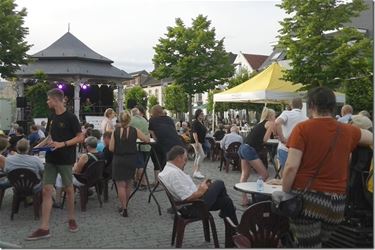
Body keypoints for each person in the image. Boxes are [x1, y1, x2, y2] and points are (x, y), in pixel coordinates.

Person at [282, 87, 373, 248]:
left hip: (308, 202)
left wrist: (285, 192)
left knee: (308, 245)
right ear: (333, 107)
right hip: (336, 206)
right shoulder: (347, 131)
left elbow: (290, 167)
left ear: (311, 106)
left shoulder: (302, 129)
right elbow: (370, 137)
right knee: (319, 243)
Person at [27, 88, 84, 241]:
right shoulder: (51, 116)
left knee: (69, 190)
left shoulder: (71, 117)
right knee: (47, 190)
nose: (47, 102)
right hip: (51, 159)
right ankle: (44, 228)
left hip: (66, 159)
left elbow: (80, 137)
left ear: (56, 100)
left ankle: (71, 219)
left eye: (48, 99)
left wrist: (62, 144)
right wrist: (39, 145)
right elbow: (50, 136)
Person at [159, 145, 238, 225]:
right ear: (179, 158)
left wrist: (202, 186)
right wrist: (202, 190)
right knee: (219, 183)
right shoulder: (173, 173)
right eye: (185, 159)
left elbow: (186, 190)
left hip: (193, 204)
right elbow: (187, 197)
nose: (185, 163)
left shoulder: (168, 170)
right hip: (192, 208)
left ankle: (233, 231)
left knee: (226, 201)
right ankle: (233, 226)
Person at [109, 111, 149, 217]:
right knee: (128, 184)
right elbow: (146, 139)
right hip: (131, 159)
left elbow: (111, 148)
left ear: (120, 120)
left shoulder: (115, 131)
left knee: (120, 186)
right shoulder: (135, 130)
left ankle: (124, 208)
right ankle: (126, 205)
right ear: (129, 120)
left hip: (119, 160)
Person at [237, 107, 275, 206]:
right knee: (265, 175)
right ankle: (258, 196)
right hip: (250, 149)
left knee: (245, 175)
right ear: (270, 116)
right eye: (274, 116)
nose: (275, 118)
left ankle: (244, 200)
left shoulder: (260, 123)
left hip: (243, 147)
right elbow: (265, 140)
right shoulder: (270, 123)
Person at [54, 136, 103, 208]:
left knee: (59, 176)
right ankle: (72, 196)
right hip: (95, 179)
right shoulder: (101, 154)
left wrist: (76, 164)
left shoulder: (85, 157)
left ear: (87, 146)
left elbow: (77, 171)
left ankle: (58, 201)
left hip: (83, 180)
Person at [148, 105, 185, 178]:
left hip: (166, 147)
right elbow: (173, 131)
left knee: (155, 154)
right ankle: (177, 179)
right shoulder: (169, 119)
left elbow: (154, 136)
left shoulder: (152, 120)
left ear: (154, 113)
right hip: (179, 145)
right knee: (178, 166)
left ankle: (160, 180)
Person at [275, 98, 307, 176]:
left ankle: (283, 186)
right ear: (302, 106)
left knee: (284, 172)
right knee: (296, 173)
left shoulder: (286, 114)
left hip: (285, 147)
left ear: (291, 105)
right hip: (299, 150)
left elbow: (277, 123)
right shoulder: (306, 118)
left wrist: (282, 138)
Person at [130, 107, 151, 187]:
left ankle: (143, 182)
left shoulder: (131, 121)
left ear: (132, 113)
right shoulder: (144, 120)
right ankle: (138, 180)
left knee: (139, 164)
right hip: (146, 145)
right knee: (143, 164)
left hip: (137, 145)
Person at [191, 109, 207, 179]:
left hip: (200, 141)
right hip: (196, 141)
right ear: (197, 115)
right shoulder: (195, 122)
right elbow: (194, 133)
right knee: (202, 155)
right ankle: (196, 171)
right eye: (201, 114)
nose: (202, 115)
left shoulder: (201, 122)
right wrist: (197, 142)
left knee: (198, 156)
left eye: (202, 114)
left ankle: (196, 171)